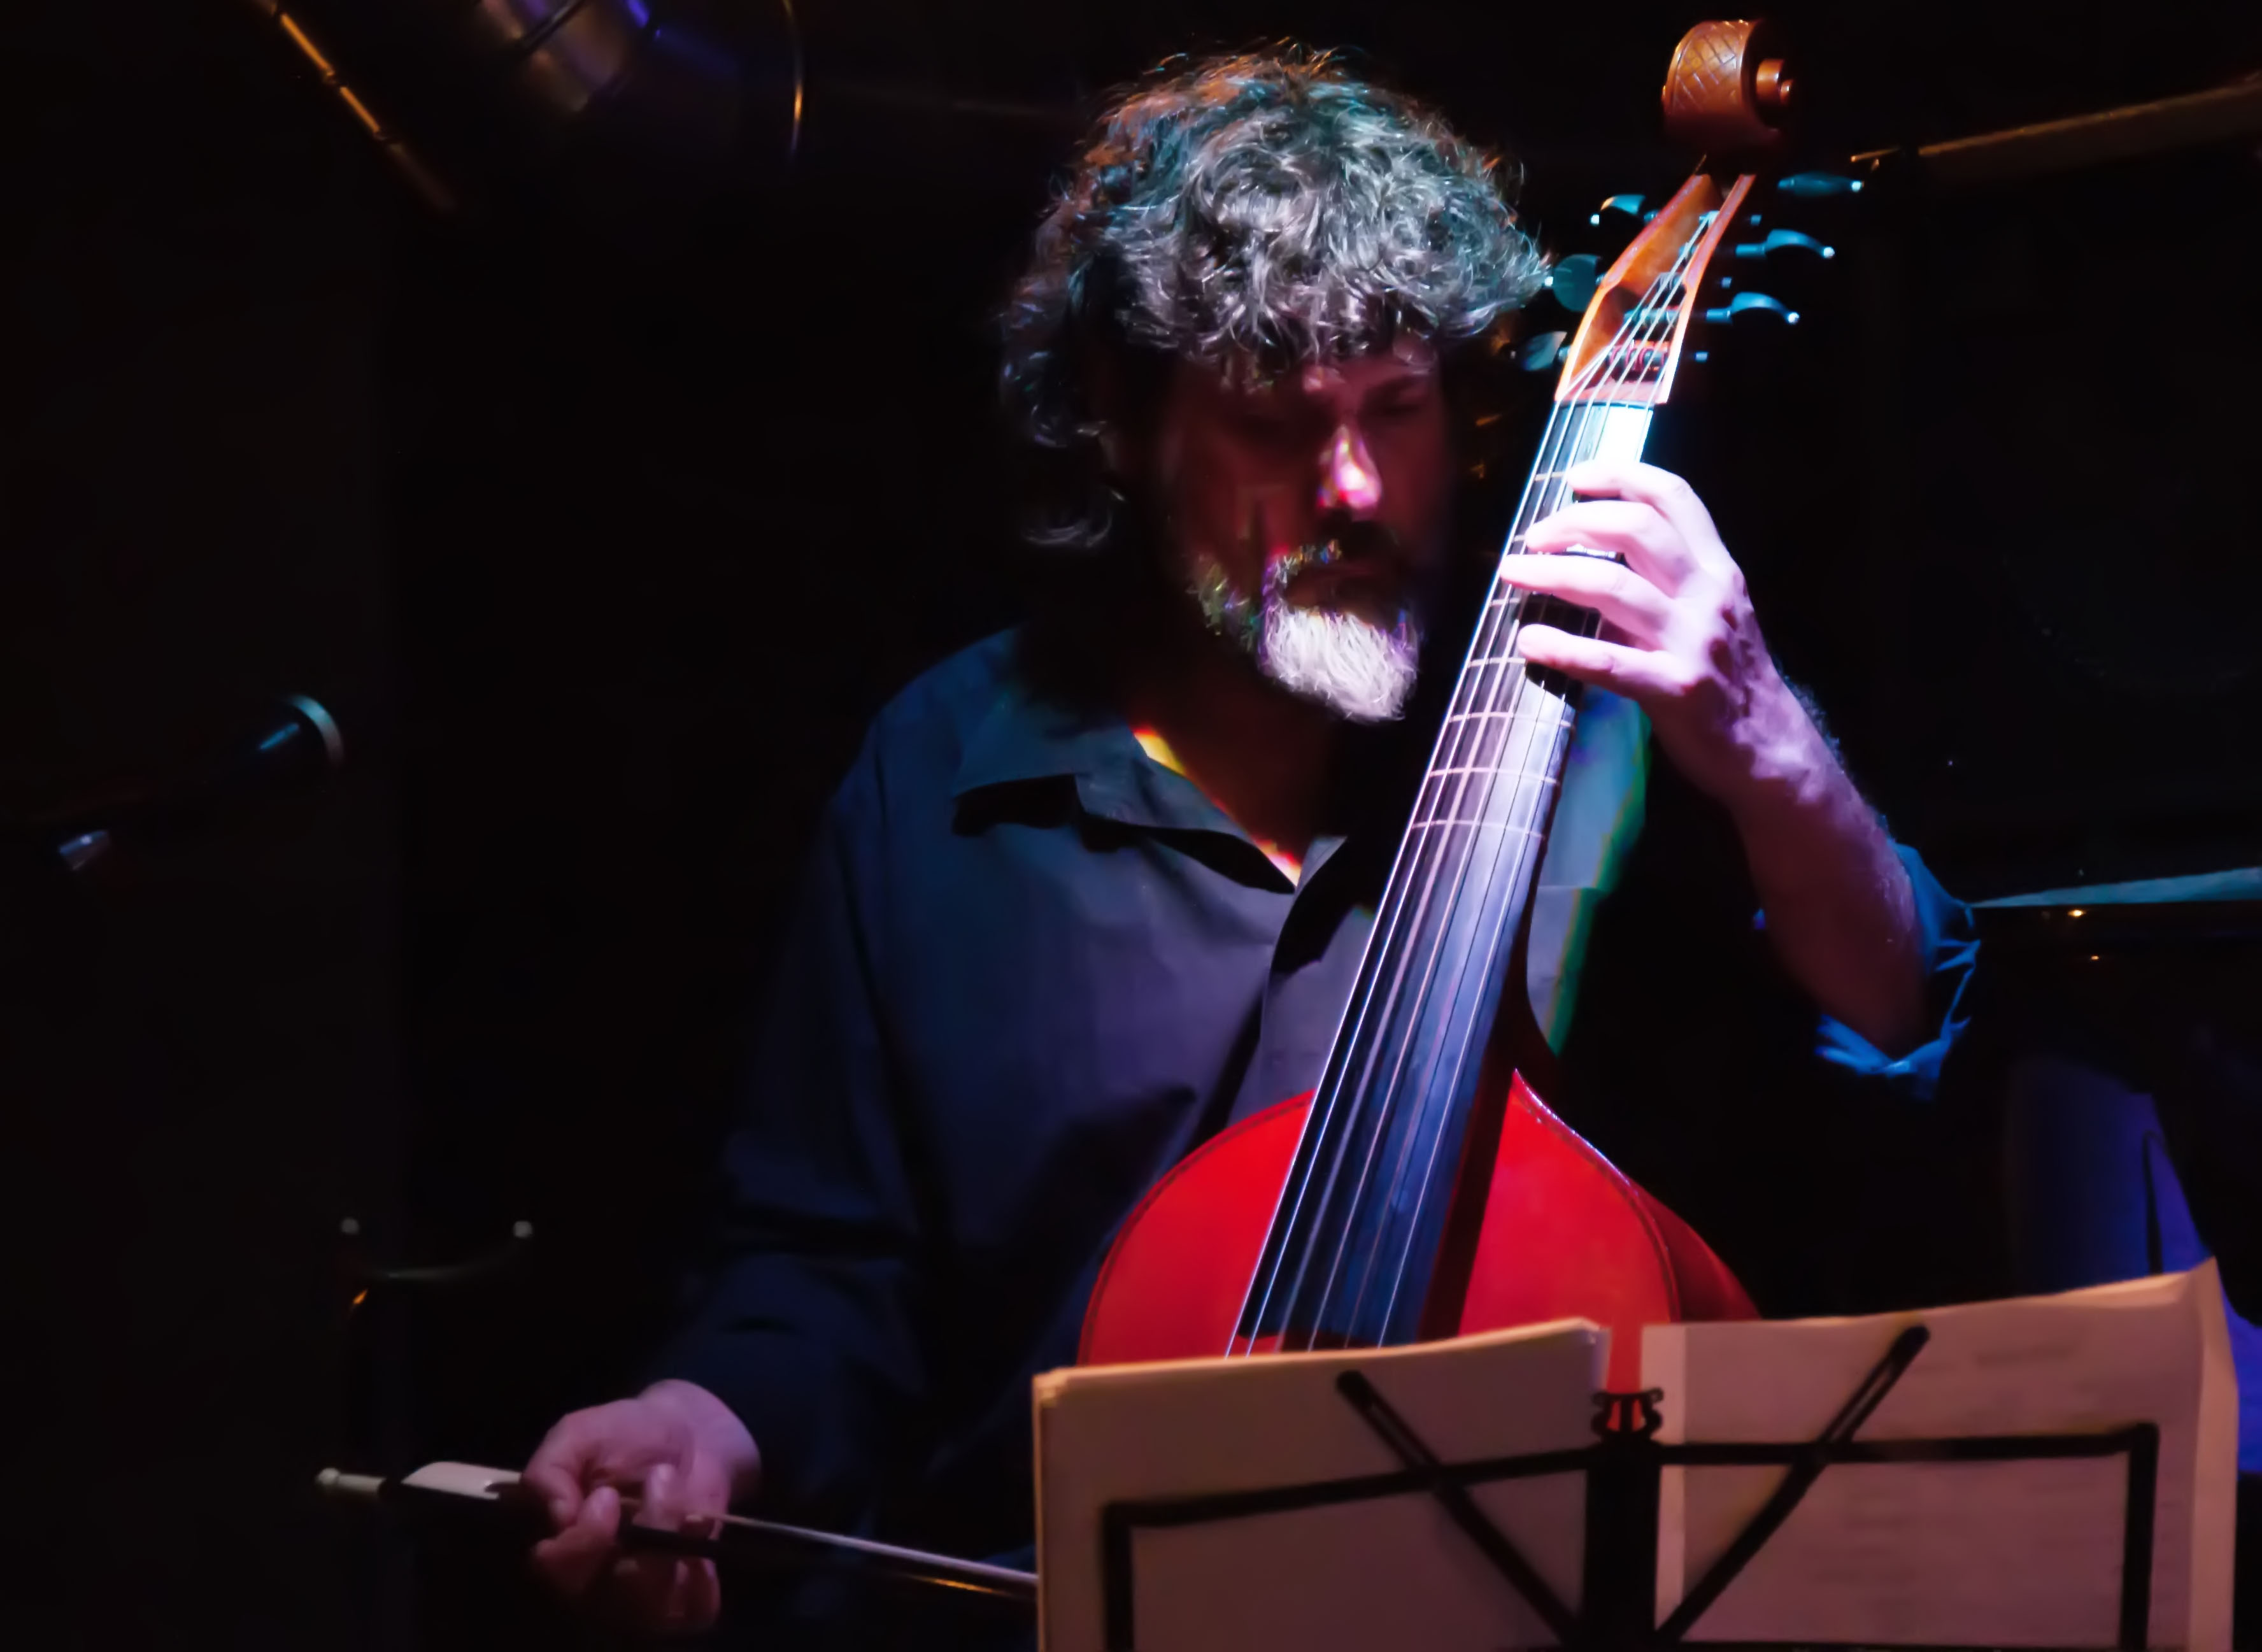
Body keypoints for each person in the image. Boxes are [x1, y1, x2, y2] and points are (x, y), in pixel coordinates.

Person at [520, 48, 1976, 1643]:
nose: (1354, 487)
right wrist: (700, 1421)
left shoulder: (1613, 707)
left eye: (1398, 408)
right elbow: (823, 1267)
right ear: (1124, 424)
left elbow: (1903, 1020)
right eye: (1274, 423)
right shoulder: (939, 776)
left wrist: (1768, 742)